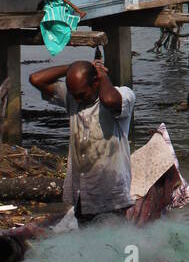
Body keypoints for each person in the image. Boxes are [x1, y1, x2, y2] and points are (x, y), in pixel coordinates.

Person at [29, 59, 135, 223]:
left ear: (95, 82)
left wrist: (102, 75)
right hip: (82, 194)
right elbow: (36, 79)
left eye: (82, 95)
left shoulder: (123, 94)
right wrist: (70, 67)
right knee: (86, 242)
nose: (77, 100)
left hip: (111, 195)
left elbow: (109, 100)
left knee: (111, 243)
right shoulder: (73, 97)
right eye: (74, 95)